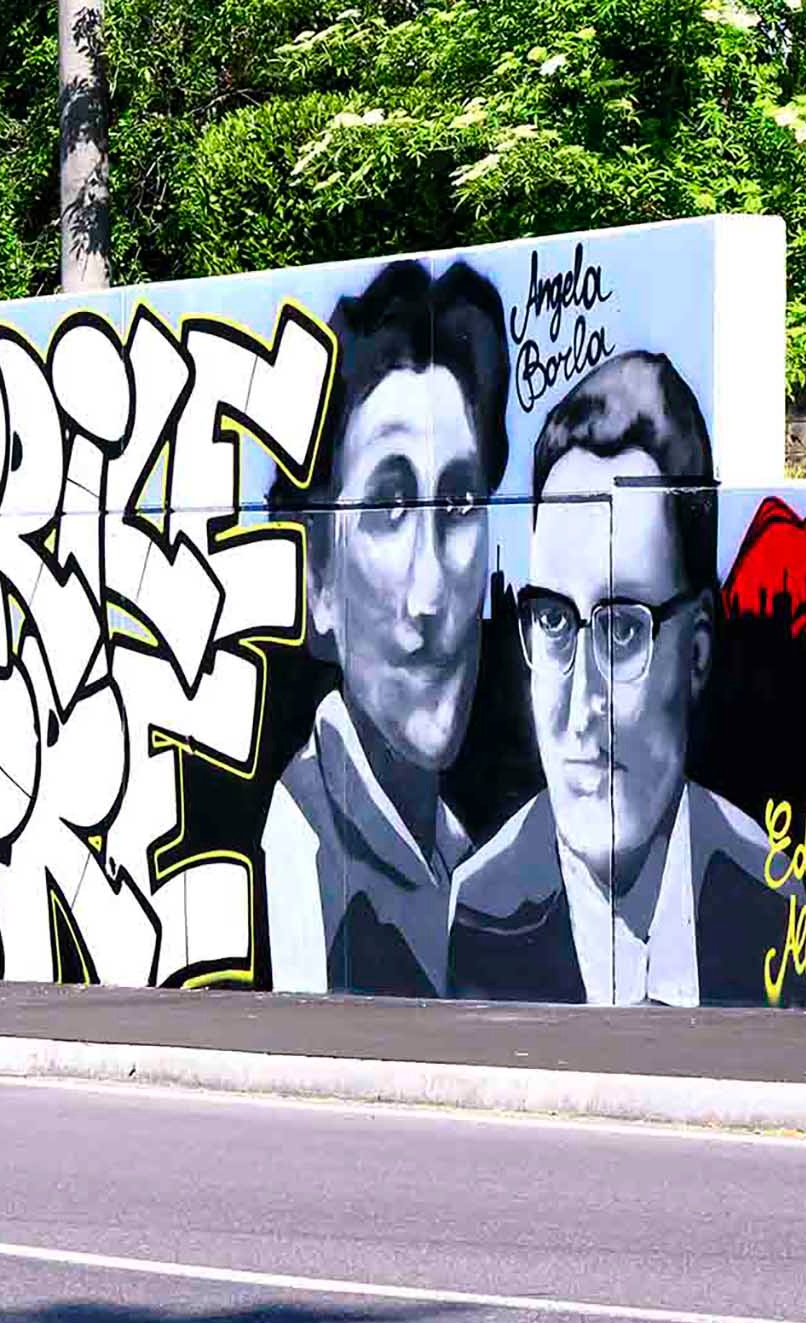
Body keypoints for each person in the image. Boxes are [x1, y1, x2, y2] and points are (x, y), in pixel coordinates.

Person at [448, 351, 806, 1008]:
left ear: (696, 651)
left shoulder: (770, 894)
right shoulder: (480, 911)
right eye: (553, 621)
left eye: (620, 632)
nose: (582, 703)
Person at [259, 259, 509, 999]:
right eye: (389, 506)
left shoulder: (463, 856)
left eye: (459, 504)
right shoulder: (301, 845)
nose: (430, 594)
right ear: (319, 579)